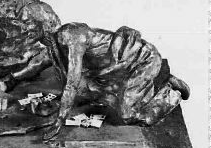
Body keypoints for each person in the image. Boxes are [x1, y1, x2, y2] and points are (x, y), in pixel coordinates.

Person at [38, 22, 191, 141]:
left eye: (29, 28)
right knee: (91, 89)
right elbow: (37, 64)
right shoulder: (54, 45)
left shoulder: (71, 36)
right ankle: (157, 79)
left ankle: (171, 94)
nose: (27, 33)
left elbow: (72, 83)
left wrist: (59, 121)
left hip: (143, 60)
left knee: (128, 115)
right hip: (122, 69)